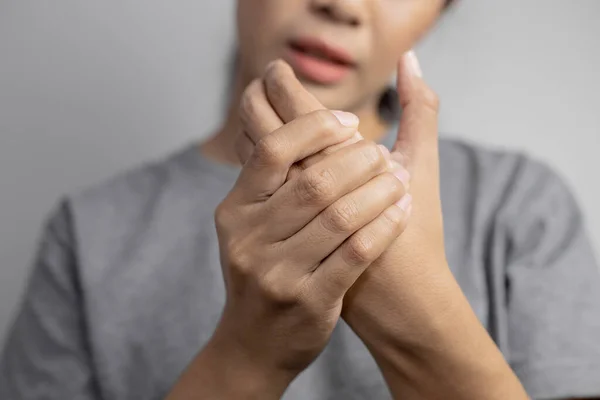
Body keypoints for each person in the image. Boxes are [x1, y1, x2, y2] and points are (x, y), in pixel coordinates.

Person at [1, 0, 600, 398]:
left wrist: (419, 312)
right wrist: (246, 353)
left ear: (435, 17)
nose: (340, 4)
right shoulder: (89, 232)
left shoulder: (521, 206)